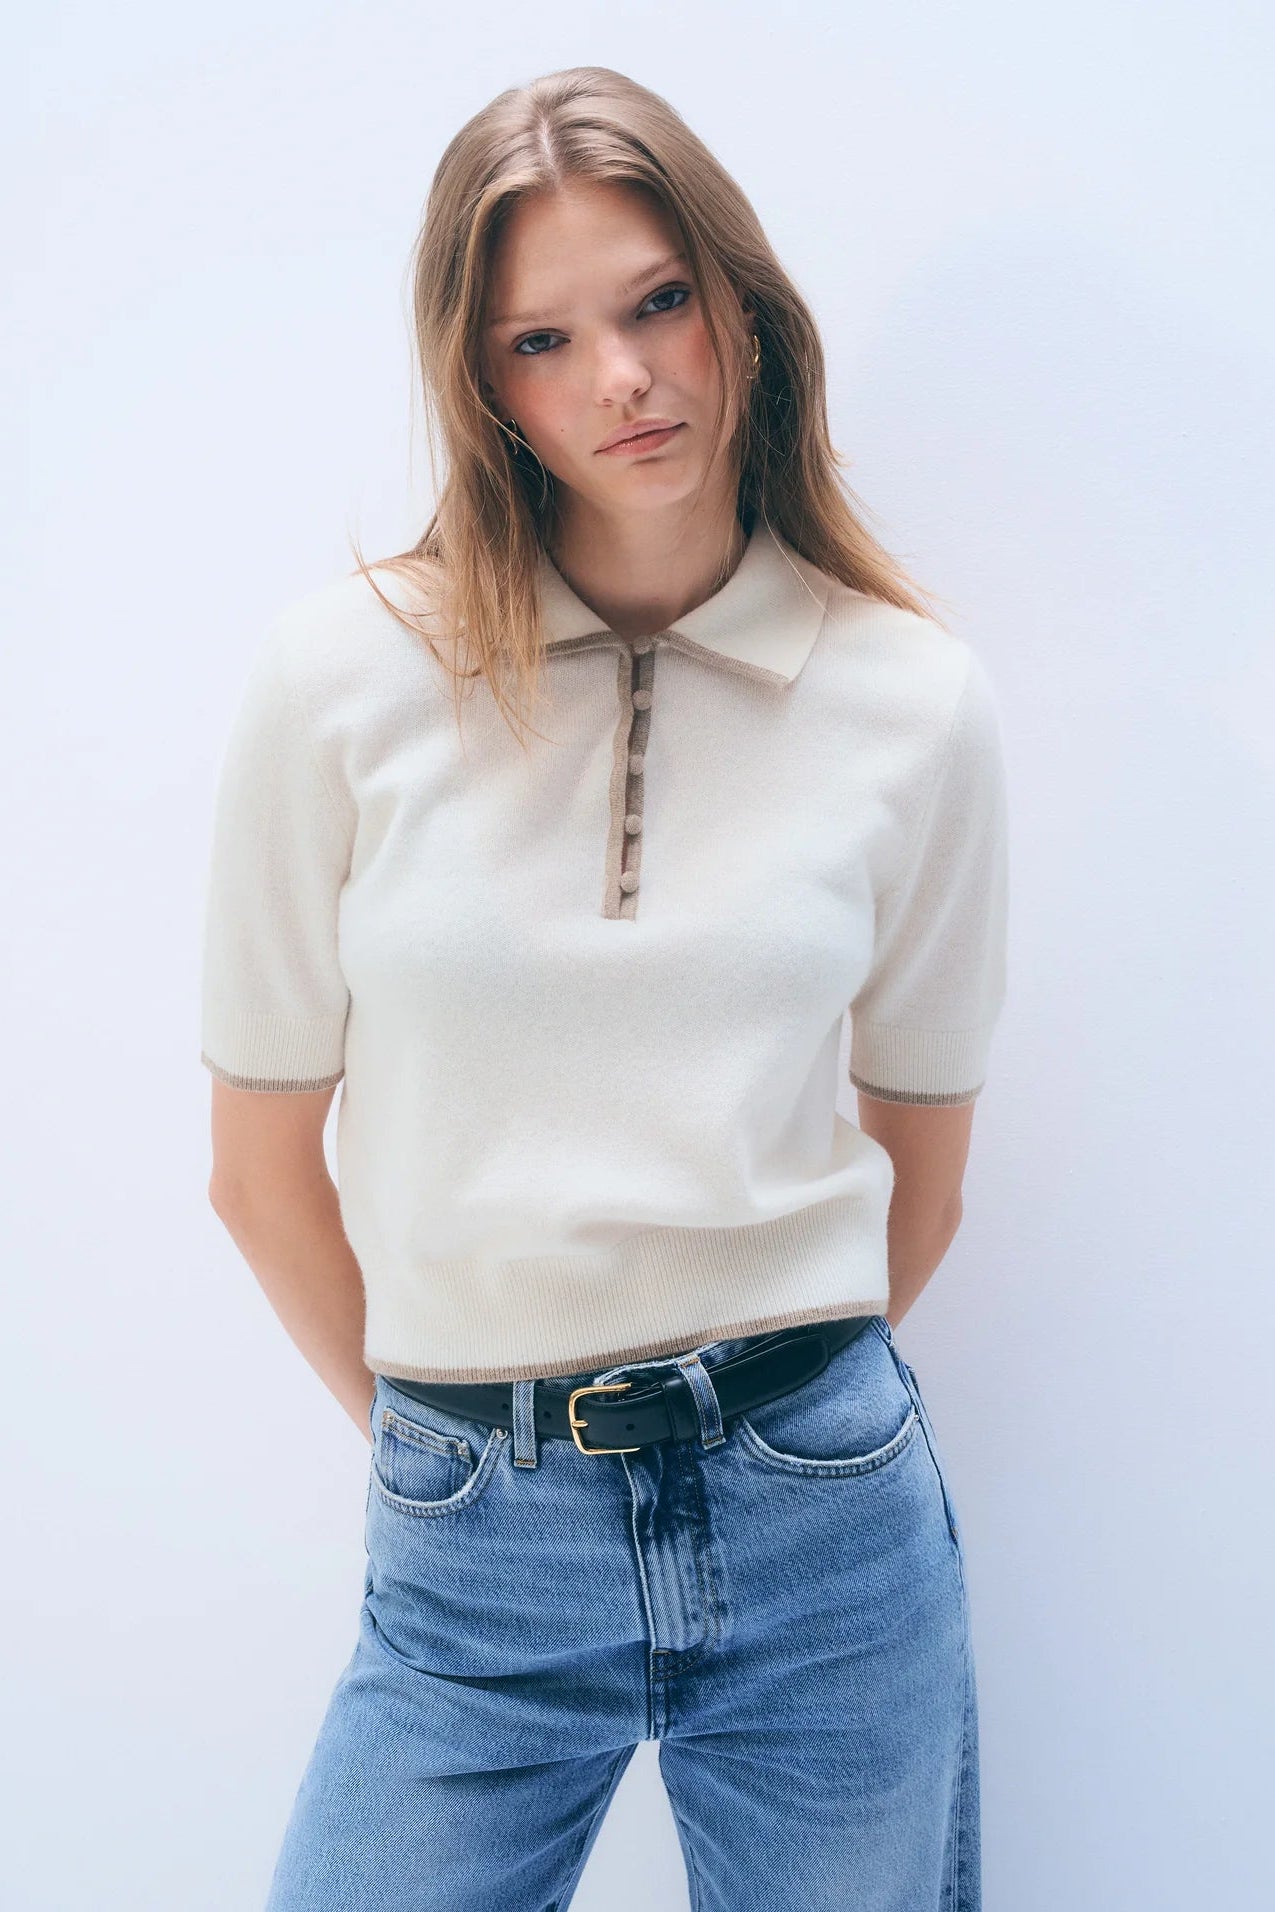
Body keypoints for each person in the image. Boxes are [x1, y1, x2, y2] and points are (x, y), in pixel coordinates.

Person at [200, 64, 1007, 1912]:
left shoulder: (912, 699)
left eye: (656, 302)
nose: (623, 380)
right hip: (470, 1547)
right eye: (544, 341)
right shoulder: (337, 683)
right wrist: (462, 1461)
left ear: (742, 305)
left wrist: (762, 1411)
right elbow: (257, 1172)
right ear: (485, 386)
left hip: (824, 1525)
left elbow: (926, 1163)